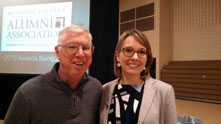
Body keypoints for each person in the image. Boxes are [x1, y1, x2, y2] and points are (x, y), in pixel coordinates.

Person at [4, 25, 102, 124]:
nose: (80, 54)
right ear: (57, 52)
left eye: (86, 47)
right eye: (72, 47)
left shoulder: (96, 88)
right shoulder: (28, 92)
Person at [99, 29, 177, 124]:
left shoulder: (164, 91)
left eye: (141, 52)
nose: (135, 57)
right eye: (128, 50)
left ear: (147, 57)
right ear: (118, 56)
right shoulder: (105, 90)